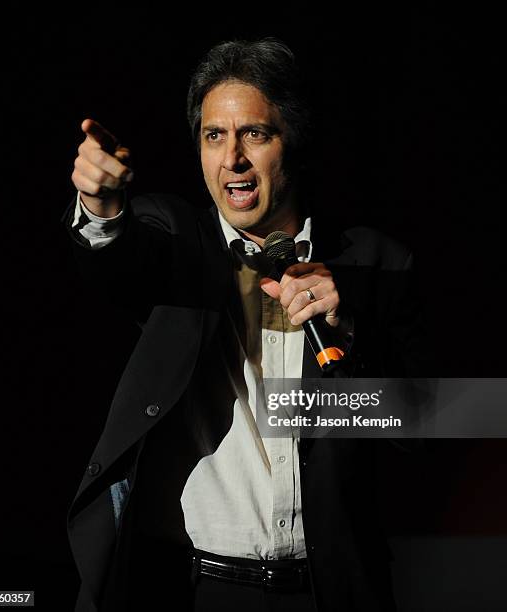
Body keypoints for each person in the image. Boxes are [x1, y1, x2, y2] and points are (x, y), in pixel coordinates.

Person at [63, 38, 426, 612]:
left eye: (254, 134)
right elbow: (119, 260)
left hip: (328, 592)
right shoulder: (175, 241)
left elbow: (424, 435)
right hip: (192, 591)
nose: (231, 158)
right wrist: (102, 207)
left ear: (294, 141)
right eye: (214, 136)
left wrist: (351, 333)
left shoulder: (378, 265)